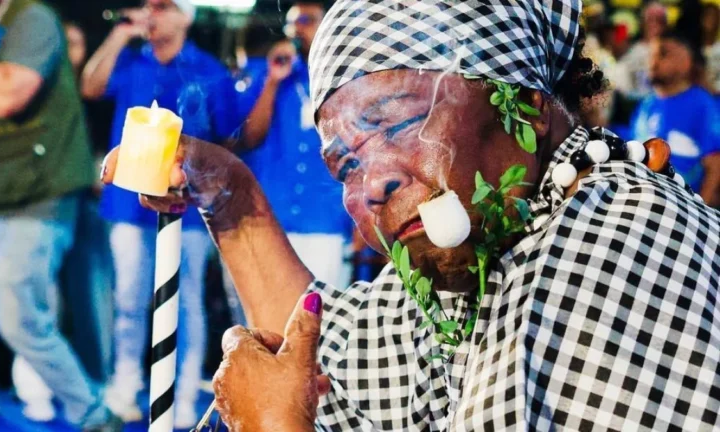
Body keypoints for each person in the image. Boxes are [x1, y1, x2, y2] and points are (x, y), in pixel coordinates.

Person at [101, 0, 720, 430]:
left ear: (528, 110)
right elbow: (349, 365)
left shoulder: (620, 245)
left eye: (396, 121)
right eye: (344, 165)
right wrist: (229, 194)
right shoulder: (500, 237)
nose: (370, 185)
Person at [0, 0, 121, 430]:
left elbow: (7, 97)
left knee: (19, 317)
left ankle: (93, 413)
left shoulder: (32, 19)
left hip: (37, 196)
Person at [82, 0, 237, 427]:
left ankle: (183, 391)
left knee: (185, 301)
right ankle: (125, 383)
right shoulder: (130, 61)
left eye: (163, 6)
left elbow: (229, 138)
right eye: (148, 5)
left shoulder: (209, 71)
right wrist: (119, 34)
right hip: (128, 207)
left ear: (185, 16)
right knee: (129, 298)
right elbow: (91, 87)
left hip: (188, 211)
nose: (152, 13)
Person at [10, 21, 115, 423]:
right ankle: (34, 388)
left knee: (93, 299)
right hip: (38, 208)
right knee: (37, 301)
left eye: (74, 42)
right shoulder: (29, 89)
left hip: (85, 208)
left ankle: (95, 386)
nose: (66, 49)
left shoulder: (94, 92)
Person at [232, 1, 354, 290]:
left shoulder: (346, 80)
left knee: (323, 319)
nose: (297, 29)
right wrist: (273, 82)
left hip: (325, 220)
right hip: (273, 218)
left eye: (307, 21)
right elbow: (250, 138)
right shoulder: (268, 75)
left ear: (328, 27)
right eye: (292, 23)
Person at [631, 31, 720, 207]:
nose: (653, 62)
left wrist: (699, 214)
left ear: (686, 63)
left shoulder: (702, 105)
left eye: (663, 54)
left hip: (683, 210)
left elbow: (715, 165)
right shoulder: (646, 104)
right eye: (651, 54)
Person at [618, 2, 668, 100]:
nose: (653, 24)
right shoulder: (631, 51)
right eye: (649, 20)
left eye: (658, 20)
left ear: (665, 25)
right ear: (642, 23)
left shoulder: (672, 51)